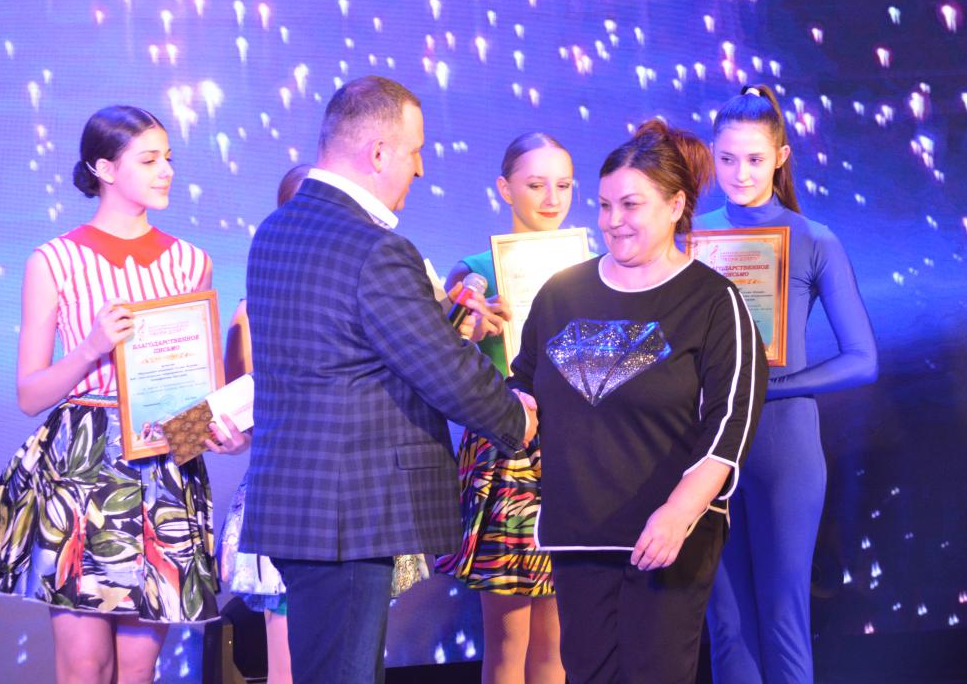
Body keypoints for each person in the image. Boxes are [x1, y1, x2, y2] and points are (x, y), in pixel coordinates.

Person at [240, 76, 537, 684]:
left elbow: (348, 351)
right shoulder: (375, 247)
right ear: (378, 153)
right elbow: (441, 371)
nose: (420, 168)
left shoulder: (277, 230)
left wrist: (447, 326)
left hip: (301, 507)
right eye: (415, 150)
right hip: (349, 512)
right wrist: (516, 418)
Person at [0, 105, 249, 684]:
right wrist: (89, 348)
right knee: (86, 666)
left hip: (161, 463)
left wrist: (219, 433)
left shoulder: (191, 261)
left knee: (137, 667)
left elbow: (193, 389)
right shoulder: (54, 260)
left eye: (168, 159)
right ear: (103, 168)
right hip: (82, 467)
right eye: (149, 160)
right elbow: (30, 394)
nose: (166, 172)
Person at [507, 120, 768, 683]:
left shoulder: (712, 302)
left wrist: (679, 513)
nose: (613, 221)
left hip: (667, 536)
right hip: (579, 533)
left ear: (675, 206)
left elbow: (731, 422)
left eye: (630, 205)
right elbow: (522, 383)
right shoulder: (561, 294)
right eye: (604, 206)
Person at [216, 164, 428, 684]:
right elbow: (237, 408)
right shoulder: (253, 311)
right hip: (290, 498)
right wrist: (223, 434)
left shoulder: (370, 295)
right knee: (291, 657)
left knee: (356, 654)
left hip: (361, 499)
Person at [698, 85, 879, 684]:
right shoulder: (690, 238)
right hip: (709, 447)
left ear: (780, 157)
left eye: (754, 159)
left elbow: (862, 360)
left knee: (783, 617)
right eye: (727, 158)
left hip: (784, 448)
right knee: (726, 626)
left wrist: (763, 390)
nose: (740, 173)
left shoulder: (814, 238)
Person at [435, 132, 574, 684]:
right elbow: (441, 360)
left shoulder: (592, 265)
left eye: (564, 185)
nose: (551, 198)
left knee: (559, 639)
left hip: (573, 453)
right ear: (504, 188)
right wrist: (468, 328)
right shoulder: (473, 272)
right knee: (509, 637)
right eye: (536, 185)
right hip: (505, 452)